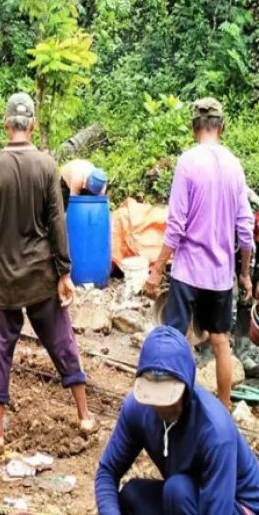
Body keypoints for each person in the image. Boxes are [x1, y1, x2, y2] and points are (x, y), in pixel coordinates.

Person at [0, 93, 96, 453]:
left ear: (5, 123)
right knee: (62, 341)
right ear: (31, 125)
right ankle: (85, 415)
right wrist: (64, 271)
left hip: (7, 279)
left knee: (1, 349)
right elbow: (56, 222)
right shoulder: (47, 165)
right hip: (42, 274)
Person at [144, 97, 253, 409]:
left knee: (176, 338)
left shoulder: (187, 162)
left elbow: (176, 225)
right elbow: (245, 229)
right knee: (220, 341)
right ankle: (222, 409)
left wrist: (156, 269)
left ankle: (172, 406)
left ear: (195, 128)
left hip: (189, 271)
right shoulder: (234, 166)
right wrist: (243, 273)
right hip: (220, 276)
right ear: (222, 127)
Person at [95, 325, 259, 515]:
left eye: (169, 397)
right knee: (133, 495)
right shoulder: (136, 407)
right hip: (192, 496)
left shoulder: (215, 431)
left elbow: (218, 510)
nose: (162, 407)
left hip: (238, 505)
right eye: (155, 398)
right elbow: (107, 471)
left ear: (187, 387)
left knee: (177, 491)